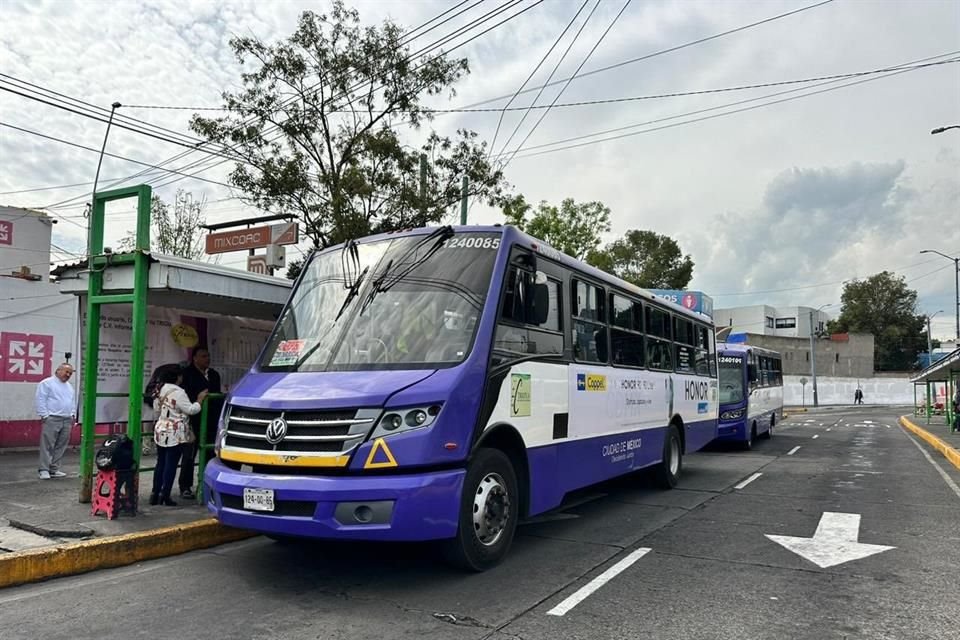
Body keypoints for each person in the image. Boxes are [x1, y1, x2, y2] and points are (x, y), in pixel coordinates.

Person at [150, 366, 207, 506]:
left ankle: (155, 493)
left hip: (161, 428)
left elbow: (157, 408)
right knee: (171, 464)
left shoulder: (160, 389)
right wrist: (199, 400)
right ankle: (165, 495)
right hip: (175, 432)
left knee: (161, 462)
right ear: (177, 377)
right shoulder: (179, 392)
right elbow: (191, 410)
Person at [177, 346, 222, 500]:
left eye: (208, 356)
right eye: (203, 356)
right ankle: (185, 486)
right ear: (195, 358)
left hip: (211, 420)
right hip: (193, 420)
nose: (207, 359)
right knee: (189, 455)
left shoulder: (214, 375)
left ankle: (205, 484)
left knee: (210, 454)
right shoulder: (187, 375)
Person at [34, 363, 76, 480]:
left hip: (66, 419)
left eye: (70, 373)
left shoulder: (69, 387)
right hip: (52, 418)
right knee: (47, 445)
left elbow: (72, 402)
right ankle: (44, 469)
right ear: (58, 371)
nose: (68, 375)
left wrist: (72, 414)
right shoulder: (46, 383)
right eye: (66, 372)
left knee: (61, 445)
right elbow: (40, 399)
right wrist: (45, 415)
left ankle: (54, 469)